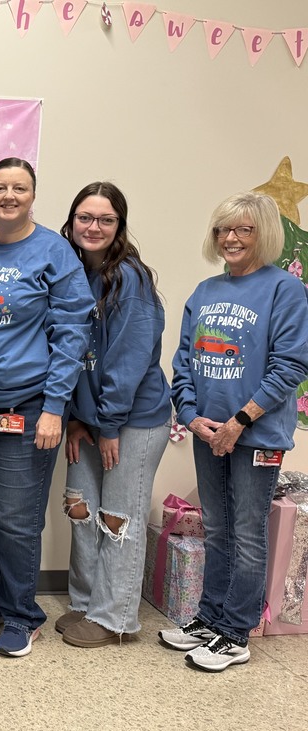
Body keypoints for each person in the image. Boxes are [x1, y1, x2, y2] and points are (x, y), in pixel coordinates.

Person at [0, 158, 94, 658]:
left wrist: (55, 407)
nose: (8, 195)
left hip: (28, 407)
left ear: (32, 195)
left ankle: (22, 613)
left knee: (15, 515)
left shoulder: (54, 252)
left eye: (19, 187)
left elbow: (72, 333)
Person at [162, 191, 308, 671]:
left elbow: (290, 366)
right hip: (208, 433)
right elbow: (184, 361)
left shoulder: (285, 290)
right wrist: (190, 414)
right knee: (218, 529)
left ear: (262, 234)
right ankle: (209, 619)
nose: (230, 238)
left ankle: (236, 632)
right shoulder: (204, 292)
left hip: (256, 438)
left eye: (243, 229)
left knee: (247, 534)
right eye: (223, 229)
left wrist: (240, 421)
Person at [57, 182, 171, 648]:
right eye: (85, 217)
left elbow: (127, 363)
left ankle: (115, 619)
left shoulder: (130, 279)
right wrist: (76, 417)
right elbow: (68, 352)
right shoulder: (70, 270)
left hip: (132, 421)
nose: (94, 227)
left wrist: (107, 424)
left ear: (119, 226)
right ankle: (85, 603)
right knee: (81, 510)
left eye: (106, 219)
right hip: (90, 420)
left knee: (118, 518)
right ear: (72, 220)